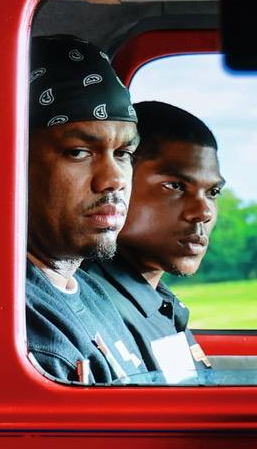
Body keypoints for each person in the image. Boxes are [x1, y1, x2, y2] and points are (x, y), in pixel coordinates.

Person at [22, 33, 152, 383]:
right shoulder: (23, 331)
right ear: (15, 160)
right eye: (79, 152)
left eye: (123, 154)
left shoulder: (91, 292)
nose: (114, 180)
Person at [88, 99, 222, 384]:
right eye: (175, 186)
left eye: (213, 192)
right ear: (117, 181)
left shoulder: (156, 303)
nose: (203, 212)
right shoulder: (96, 309)